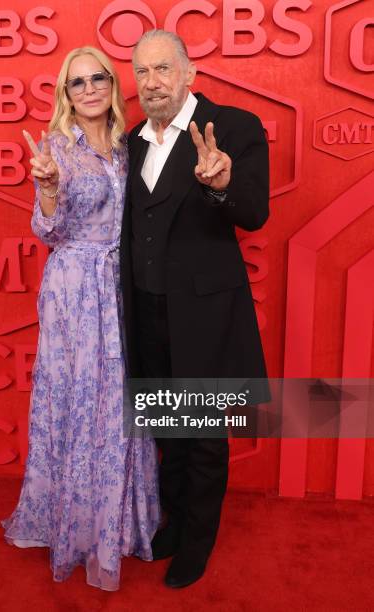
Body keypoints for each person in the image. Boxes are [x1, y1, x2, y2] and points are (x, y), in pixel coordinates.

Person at [1, 46, 160, 592]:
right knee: (76, 401)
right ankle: (72, 525)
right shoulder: (54, 150)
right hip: (74, 292)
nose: (88, 88)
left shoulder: (126, 147)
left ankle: (120, 524)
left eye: (98, 78)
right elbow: (48, 233)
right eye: (76, 82)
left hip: (120, 288)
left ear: (112, 86)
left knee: (118, 403)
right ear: (65, 95)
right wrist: (46, 189)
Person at [120, 30, 269, 588]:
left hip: (206, 316)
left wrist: (223, 183)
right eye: (143, 72)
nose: (153, 82)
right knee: (168, 432)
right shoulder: (133, 139)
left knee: (205, 434)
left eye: (163, 69)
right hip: (147, 314)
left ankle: (197, 545)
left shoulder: (233, 127)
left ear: (189, 73)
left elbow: (254, 213)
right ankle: (174, 525)